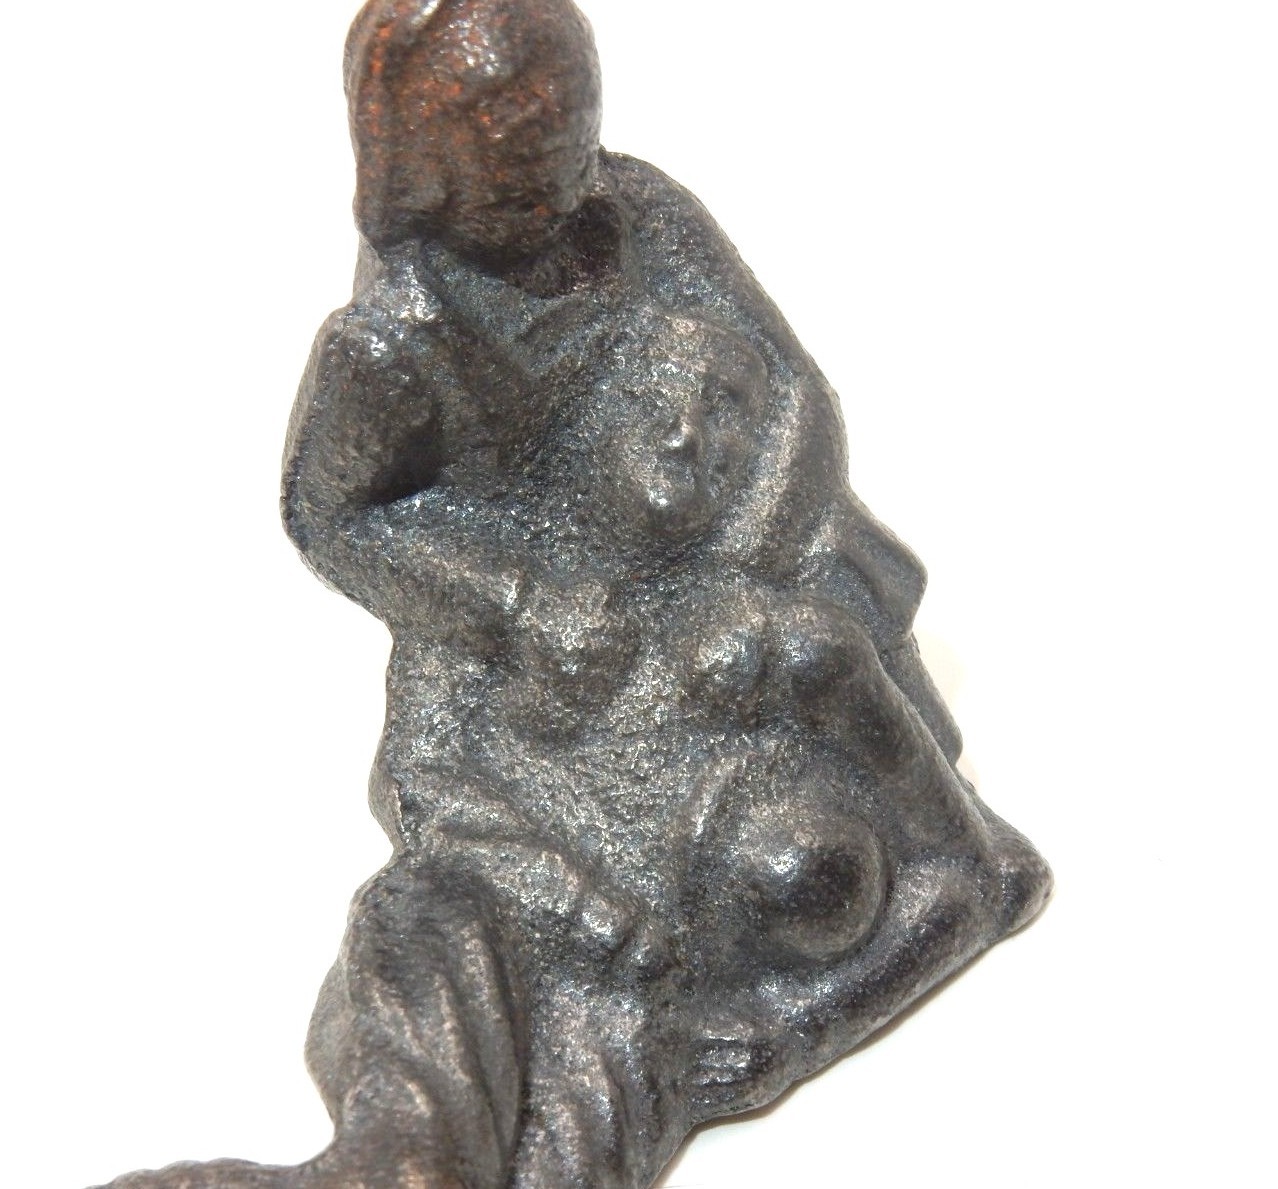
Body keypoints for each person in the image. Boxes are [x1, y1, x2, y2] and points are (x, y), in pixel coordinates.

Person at [102, 2, 1050, 1186]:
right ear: (427, 180)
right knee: (453, 937)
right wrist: (514, 604)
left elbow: (792, 397)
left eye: (570, 148)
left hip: (705, 635)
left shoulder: (639, 217)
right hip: (533, 664)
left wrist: (737, 571)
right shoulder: (398, 340)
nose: (559, 199)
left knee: (577, 1018)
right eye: (516, 179)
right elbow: (330, 515)